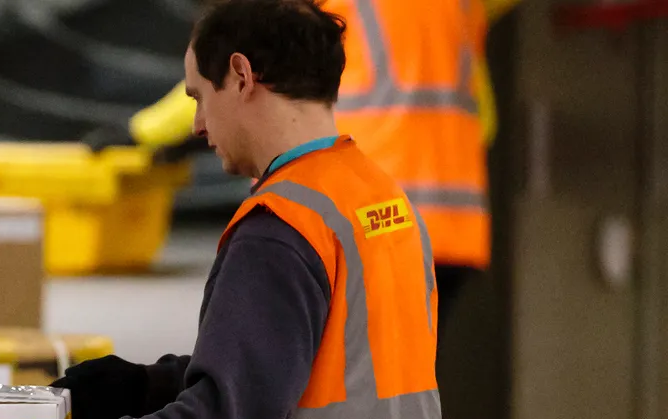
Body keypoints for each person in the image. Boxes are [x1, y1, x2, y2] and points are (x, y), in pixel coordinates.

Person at [0, 1, 450, 419]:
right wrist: (148, 386)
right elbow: (318, 377)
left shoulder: (281, 227)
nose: (199, 124)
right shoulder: (378, 202)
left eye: (198, 97)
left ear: (241, 75)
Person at [85, 0, 524, 336]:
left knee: (337, 393)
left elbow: (232, 80)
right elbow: (484, 121)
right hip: (450, 231)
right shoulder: (460, 8)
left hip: (361, 229)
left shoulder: (328, 13)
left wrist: (144, 132)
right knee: (401, 392)